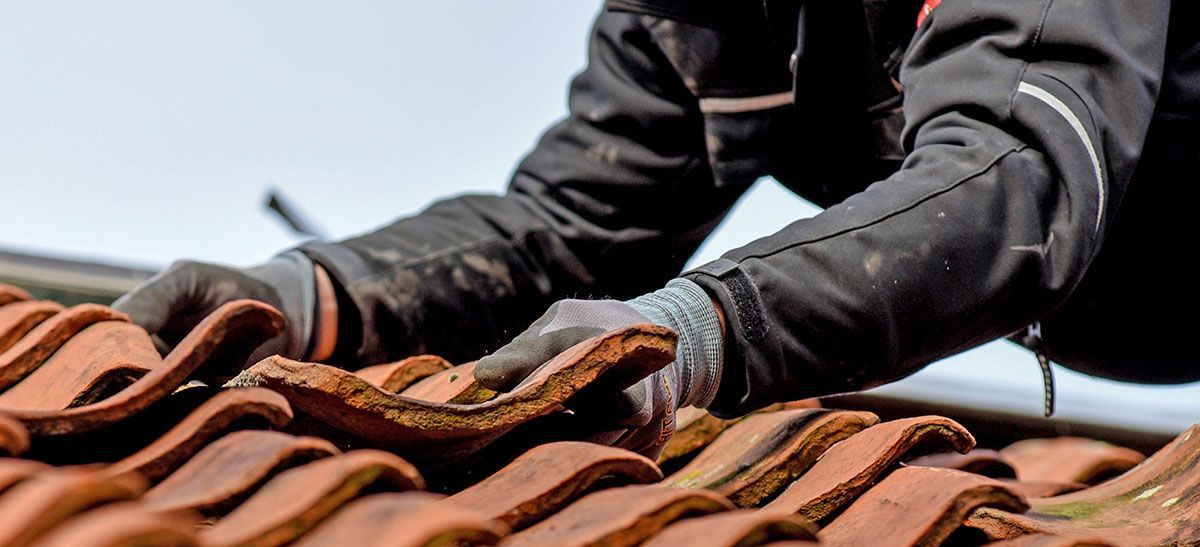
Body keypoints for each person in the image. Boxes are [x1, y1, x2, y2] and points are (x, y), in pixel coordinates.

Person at [115, 1, 1191, 458]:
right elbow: (573, 225)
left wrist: (695, 333)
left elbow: (1012, 184)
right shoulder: (697, 16)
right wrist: (302, 296)